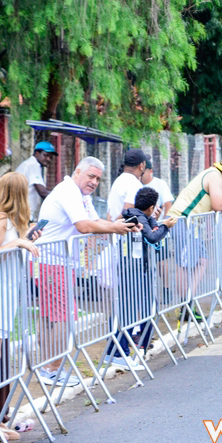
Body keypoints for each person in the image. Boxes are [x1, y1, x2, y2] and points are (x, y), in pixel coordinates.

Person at [37, 156, 139, 386]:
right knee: (63, 317)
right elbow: (84, 226)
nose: (94, 182)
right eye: (91, 176)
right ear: (77, 172)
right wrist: (115, 228)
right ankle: (51, 369)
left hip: (58, 263)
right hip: (51, 263)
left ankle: (48, 366)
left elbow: (95, 221)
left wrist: (123, 226)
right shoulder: (68, 191)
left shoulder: (81, 195)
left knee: (53, 317)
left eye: (98, 179)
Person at [102, 186, 175, 370]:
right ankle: (118, 353)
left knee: (134, 309)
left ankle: (124, 349)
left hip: (134, 269)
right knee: (126, 312)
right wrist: (165, 226)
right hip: (132, 270)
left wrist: (155, 220)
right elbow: (152, 237)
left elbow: (151, 230)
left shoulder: (137, 215)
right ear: (151, 207)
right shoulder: (137, 217)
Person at [0, 173, 41, 442]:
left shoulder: (11, 220)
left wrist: (26, 238)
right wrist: (17, 242)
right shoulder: (1, 218)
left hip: (6, 301)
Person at [168, 155, 222, 313]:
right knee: (184, 265)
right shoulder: (215, 176)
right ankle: (185, 307)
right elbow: (219, 205)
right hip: (183, 220)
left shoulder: (216, 175)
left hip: (190, 224)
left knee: (202, 260)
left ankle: (188, 300)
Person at [16, 141, 57, 220]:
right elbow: (43, 192)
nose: (48, 159)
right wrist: (61, 202)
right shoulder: (33, 165)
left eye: (51, 157)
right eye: (46, 155)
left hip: (19, 212)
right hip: (22, 214)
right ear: (37, 153)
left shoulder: (28, 164)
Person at [107, 148, 147, 221]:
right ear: (141, 166)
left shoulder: (118, 180)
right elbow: (128, 212)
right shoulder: (134, 184)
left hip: (113, 226)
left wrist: (111, 226)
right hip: (123, 227)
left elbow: (110, 213)